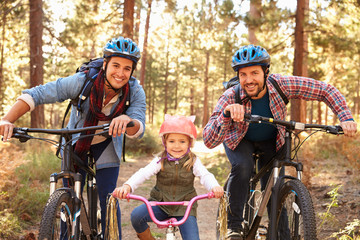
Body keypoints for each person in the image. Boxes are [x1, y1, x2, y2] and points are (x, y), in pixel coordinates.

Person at [203, 44, 357, 239]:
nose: (249, 80)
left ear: (266, 72)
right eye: (243, 75)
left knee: (275, 186)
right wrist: (226, 114)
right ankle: (233, 225)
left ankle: (281, 235)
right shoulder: (231, 95)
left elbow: (324, 90)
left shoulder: (280, 84)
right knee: (243, 167)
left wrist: (345, 118)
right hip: (239, 140)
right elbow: (208, 140)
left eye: (254, 73)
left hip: (271, 139)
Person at [0, 36, 146, 239]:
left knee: (108, 199)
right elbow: (38, 93)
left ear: (132, 71)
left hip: (107, 143)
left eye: (127, 68)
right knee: (69, 197)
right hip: (76, 140)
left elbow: (139, 127)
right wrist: (7, 119)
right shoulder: (83, 81)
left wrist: (128, 120)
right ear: (105, 64)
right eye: (115, 65)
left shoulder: (135, 91)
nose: (120, 73)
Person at [113, 114, 224, 240]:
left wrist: (214, 186)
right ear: (165, 142)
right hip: (160, 204)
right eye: (172, 141)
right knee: (136, 216)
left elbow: (205, 175)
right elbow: (143, 173)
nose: (176, 146)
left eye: (182, 141)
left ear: (189, 143)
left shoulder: (193, 161)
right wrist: (128, 186)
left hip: (185, 208)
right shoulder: (160, 159)